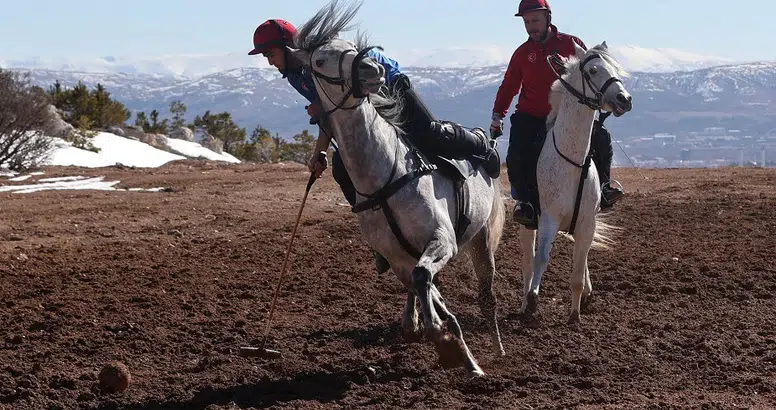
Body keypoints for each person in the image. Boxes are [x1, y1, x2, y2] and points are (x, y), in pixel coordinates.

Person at [248, 19, 501, 272]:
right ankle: (380, 239)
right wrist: (321, 153)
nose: (269, 61)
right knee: (342, 167)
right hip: (368, 102)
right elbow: (330, 114)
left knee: (428, 133)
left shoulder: (321, 59)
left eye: (270, 54)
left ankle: (480, 144)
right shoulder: (295, 76)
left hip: (388, 82)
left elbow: (345, 99)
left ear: (287, 47)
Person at [489, 0, 624, 230]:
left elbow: (592, 77)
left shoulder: (572, 44)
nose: (531, 26)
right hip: (531, 116)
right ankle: (525, 204)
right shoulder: (522, 54)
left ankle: (604, 188)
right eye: (527, 22)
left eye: (536, 20)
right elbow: (509, 86)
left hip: (568, 115)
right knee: (517, 153)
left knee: (602, 139)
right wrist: (497, 116)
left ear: (548, 18)